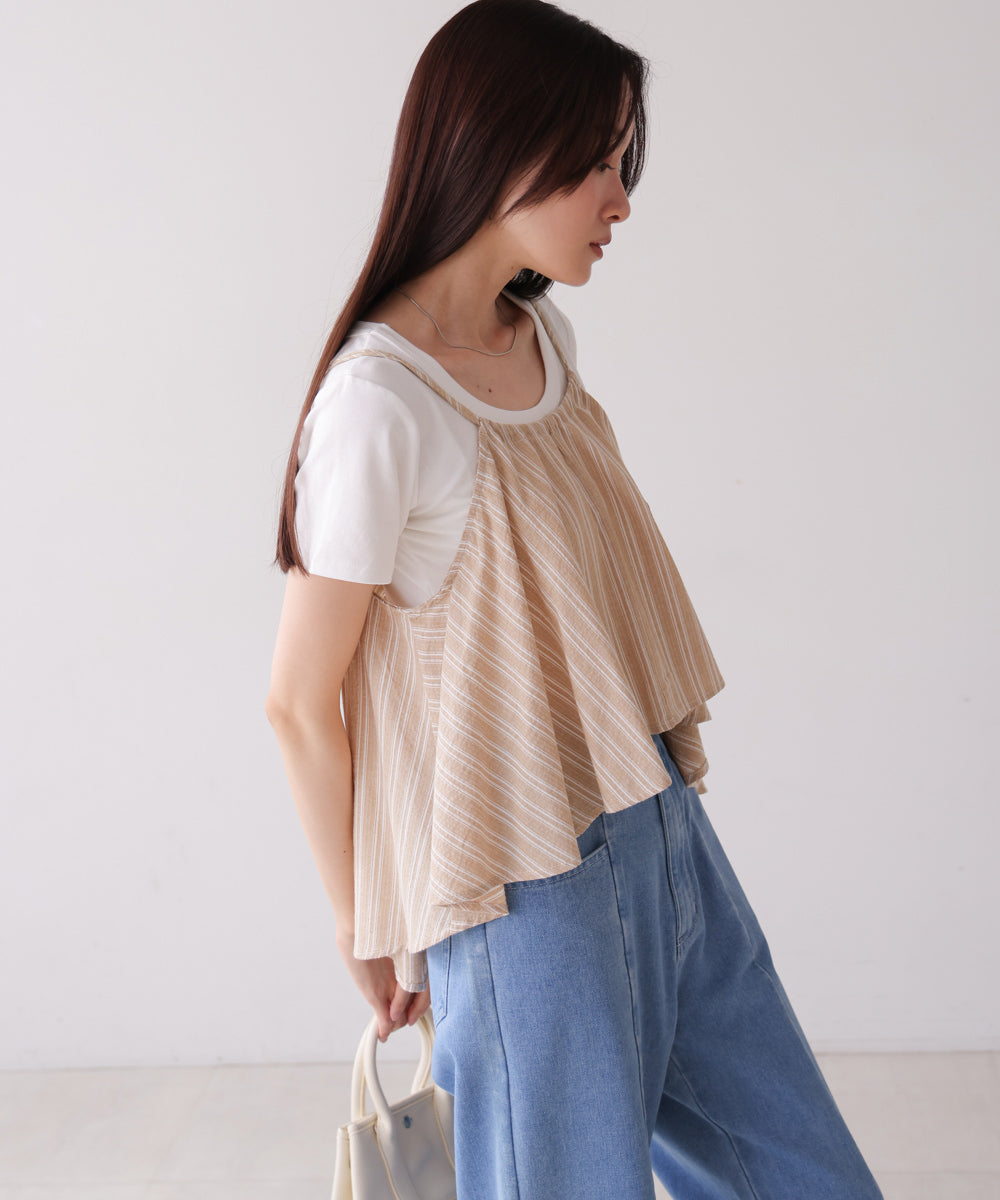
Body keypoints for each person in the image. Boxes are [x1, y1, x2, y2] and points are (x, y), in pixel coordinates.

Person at [265, 1, 884, 1196]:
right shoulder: (378, 403)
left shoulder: (539, 336)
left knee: (804, 1174)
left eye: (620, 162)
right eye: (597, 164)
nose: (619, 199)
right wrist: (366, 922)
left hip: (656, 823)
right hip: (522, 891)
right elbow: (299, 700)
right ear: (502, 151)